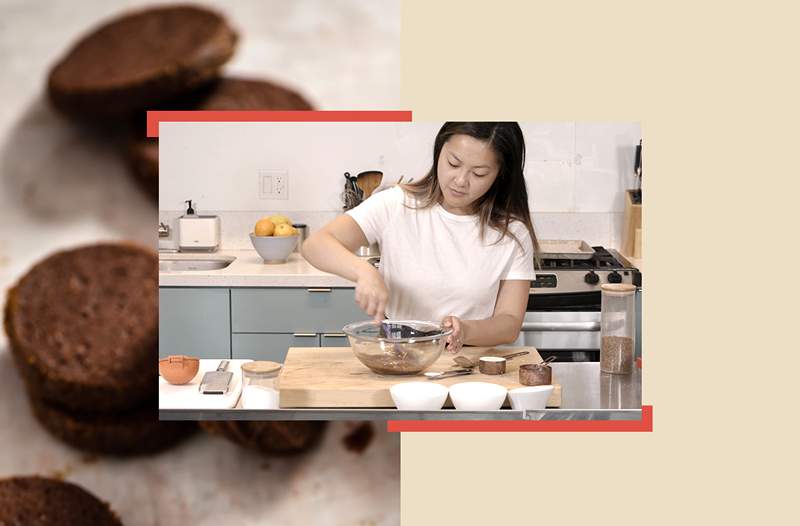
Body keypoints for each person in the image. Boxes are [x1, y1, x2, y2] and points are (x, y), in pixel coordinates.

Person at [302, 122, 538, 353]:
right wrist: (364, 272)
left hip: (470, 367)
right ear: (439, 152)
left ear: (500, 175)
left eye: (479, 173)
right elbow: (316, 245)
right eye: (453, 163)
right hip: (399, 356)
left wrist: (465, 330)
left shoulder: (512, 233)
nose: (460, 181)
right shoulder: (397, 204)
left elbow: (509, 323)